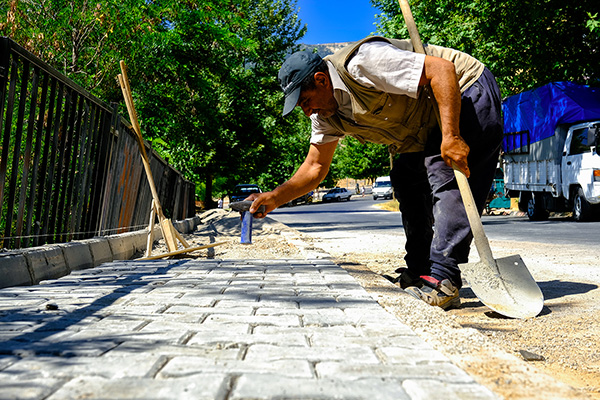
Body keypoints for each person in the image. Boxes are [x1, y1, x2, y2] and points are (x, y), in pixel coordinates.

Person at [247, 36, 503, 310]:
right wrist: (274, 198)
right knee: (406, 179)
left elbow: (441, 70)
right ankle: (419, 271)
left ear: (322, 80)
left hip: (464, 90)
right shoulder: (324, 116)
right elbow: (315, 167)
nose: (307, 110)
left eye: (306, 100)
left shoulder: (364, 63)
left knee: (445, 173)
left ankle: (443, 279)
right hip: (422, 123)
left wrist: (451, 136)